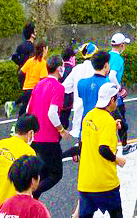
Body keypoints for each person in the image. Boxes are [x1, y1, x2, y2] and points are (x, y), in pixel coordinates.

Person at [77, 82, 126, 218]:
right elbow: (103, 149)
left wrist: (112, 127)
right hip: (105, 182)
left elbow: (86, 142)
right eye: (117, 98)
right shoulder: (108, 121)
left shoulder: (89, 116)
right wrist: (118, 160)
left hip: (85, 181)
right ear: (111, 100)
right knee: (117, 215)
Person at [27, 55, 73, 198]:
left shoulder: (38, 85)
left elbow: (29, 109)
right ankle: (31, 194)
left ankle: (33, 201)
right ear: (60, 68)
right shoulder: (58, 87)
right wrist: (61, 130)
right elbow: (52, 113)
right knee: (56, 174)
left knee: (42, 173)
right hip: (49, 139)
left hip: (35, 137)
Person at [7, 41, 48, 120]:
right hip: (35, 90)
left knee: (25, 109)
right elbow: (43, 80)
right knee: (31, 113)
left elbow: (20, 72)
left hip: (26, 88)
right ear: (44, 49)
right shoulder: (43, 63)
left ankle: (14, 107)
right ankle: (18, 128)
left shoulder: (30, 61)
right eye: (47, 49)